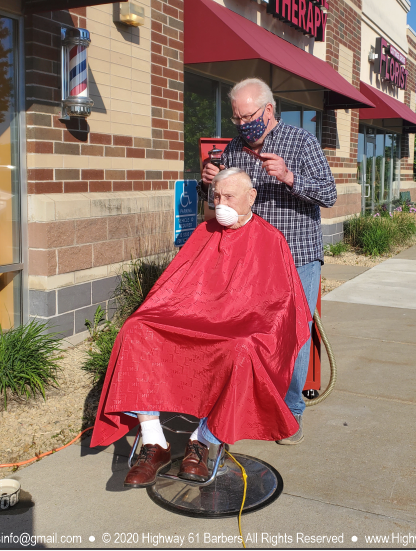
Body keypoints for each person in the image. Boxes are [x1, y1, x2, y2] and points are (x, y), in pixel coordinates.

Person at [90, 168, 311, 487]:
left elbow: (279, 305)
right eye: (216, 196)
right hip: (194, 316)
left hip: (241, 326)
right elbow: (176, 285)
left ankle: (203, 440)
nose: (220, 203)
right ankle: (154, 443)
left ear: (251, 198)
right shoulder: (203, 232)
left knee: (241, 348)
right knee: (137, 329)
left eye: (229, 197)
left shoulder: (270, 239)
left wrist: (248, 324)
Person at [200, 78, 337, 444]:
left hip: (297, 255)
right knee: (249, 333)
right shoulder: (235, 147)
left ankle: (291, 412)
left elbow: (329, 193)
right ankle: (252, 403)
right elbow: (224, 201)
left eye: (249, 116)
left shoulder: (301, 141)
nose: (245, 125)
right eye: (238, 118)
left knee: (293, 335)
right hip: (250, 257)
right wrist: (208, 183)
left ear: (268, 110)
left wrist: (290, 177)